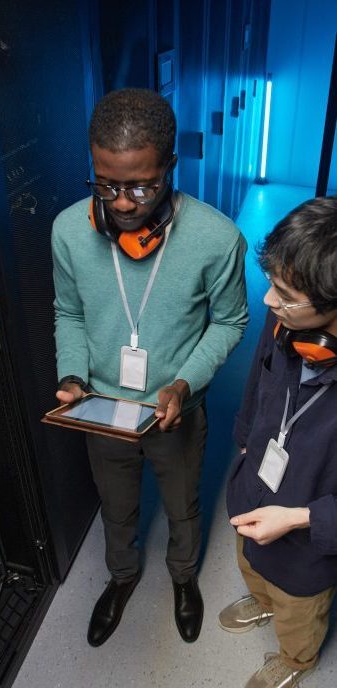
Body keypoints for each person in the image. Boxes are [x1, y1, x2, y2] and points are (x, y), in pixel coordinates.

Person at [51, 88, 248, 647]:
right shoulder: (68, 230)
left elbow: (231, 322)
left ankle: (183, 580)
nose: (123, 203)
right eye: (106, 183)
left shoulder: (217, 237)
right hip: (101, 407)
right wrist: (72, 375)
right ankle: (121, 578)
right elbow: (68, 311)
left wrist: (184, 383)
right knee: (116, 507)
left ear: (171, 167)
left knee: (183, 506)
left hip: (174, 408)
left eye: (141, 184)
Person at [220, 196, 337, 688]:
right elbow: (257, 380)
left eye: (285, 293)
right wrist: (246, 443)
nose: (268, 300)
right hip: (254, 491)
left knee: (298, 608)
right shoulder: (284, 322)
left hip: (309, 533)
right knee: (250, 561)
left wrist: (299, 518)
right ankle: (263, 600)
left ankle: (295, 658)